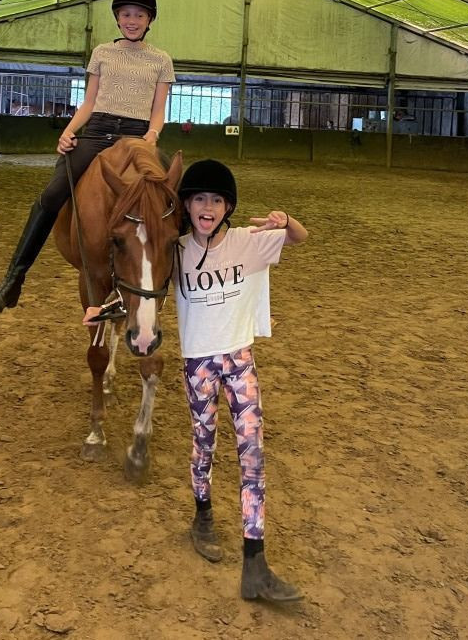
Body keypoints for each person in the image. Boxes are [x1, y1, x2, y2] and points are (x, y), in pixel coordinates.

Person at [0, 0, 174, 313]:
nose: (132, 20)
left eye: (139, 15)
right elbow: (89, 102)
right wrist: (69, 132)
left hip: (138, 136)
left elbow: (158, 110)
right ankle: (12, 281)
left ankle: (174, 272)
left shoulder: (161, 60)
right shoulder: (102, 53)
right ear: (117, 18)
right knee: (51, 195)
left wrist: (152, 136)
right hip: (97, 132)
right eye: (126, 14)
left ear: (149, 20)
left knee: (172, 192)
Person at [175, 159, 308, 603]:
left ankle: (256, 563)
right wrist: (102, 308)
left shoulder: (247, 242)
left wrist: (285, 221)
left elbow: (299, 238)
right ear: (187, 205)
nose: (207, 207)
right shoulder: (175, 250)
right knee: (204, 443)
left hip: (239, 361)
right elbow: (139, 279)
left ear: (227, 207)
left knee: (253, 455)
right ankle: (203, 517)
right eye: (199, 199)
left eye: (216, 200)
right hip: (198, 364)